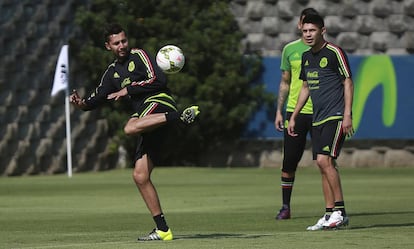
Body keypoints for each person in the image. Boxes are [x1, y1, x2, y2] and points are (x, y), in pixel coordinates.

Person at [70, 23, 200, 241]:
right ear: (107, 46)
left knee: (129, 127)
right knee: (140, 176)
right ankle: (163, 230)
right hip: (147, 118)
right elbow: (99, 96)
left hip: (160, 103)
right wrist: (81, 104)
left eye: (124, 40)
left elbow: (160, 80)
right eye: (116, 43)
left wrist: (128, 89)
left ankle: (178, 118)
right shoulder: (112, 72)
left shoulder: (140, 55)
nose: (122, 45)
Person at [287, 14, 354, 230]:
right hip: (317, 118)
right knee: (322, 165)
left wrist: (347, 114)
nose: (308, 34)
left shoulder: (335, 52)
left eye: (312, 30)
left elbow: (347, 82)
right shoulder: (306, 57)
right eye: (305, 31)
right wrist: (294, 116)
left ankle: (340, 212)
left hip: (335, 115)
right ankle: (328, 214)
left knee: (325, 161)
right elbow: (305, 88)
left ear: (322, 31)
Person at [274, 7, 319, 220]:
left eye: (311, 25)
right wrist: (279, 111)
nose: (306, 29)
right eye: (304, 24)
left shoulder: (327, 51)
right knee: (289, 161)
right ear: (299, 25)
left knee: (325, 161)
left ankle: (334, 208)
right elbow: (285, 82)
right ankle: (285, 206)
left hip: (321, 112)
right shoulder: (290, 49)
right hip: (295, 112)